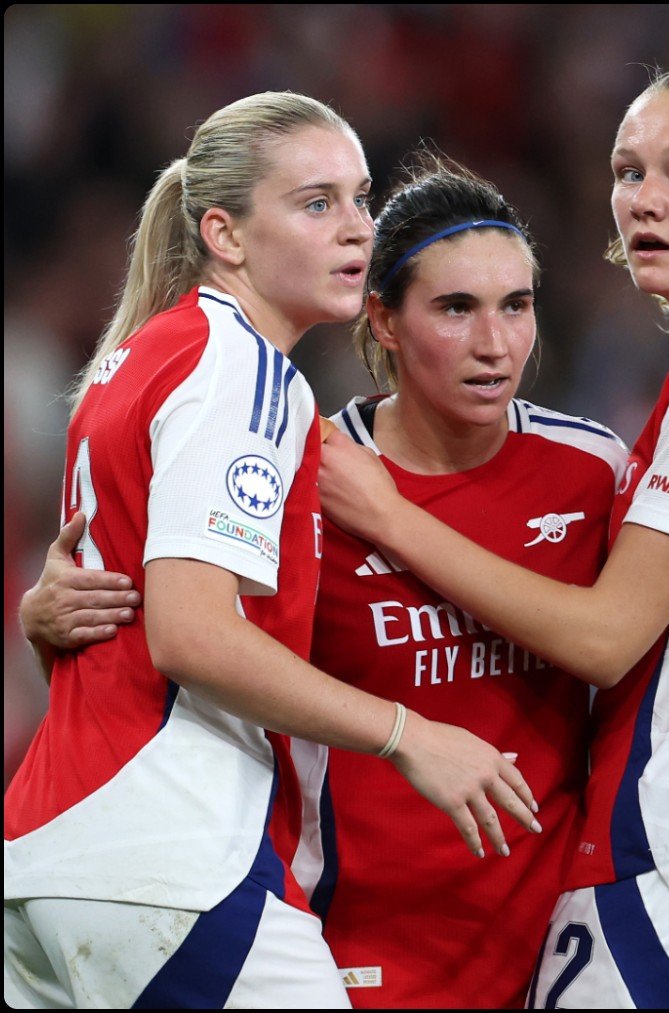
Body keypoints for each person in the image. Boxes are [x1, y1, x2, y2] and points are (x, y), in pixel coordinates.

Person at [18, 152, 669, 1007]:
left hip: (550, 944)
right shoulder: (299, 466)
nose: (495, 343)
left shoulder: (592, 470)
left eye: (517, 305)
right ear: (385, 322)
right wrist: (49, 613)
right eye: (456, 308)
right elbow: (186, 635)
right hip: (344, 941)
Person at [315, 67, 669, 1008]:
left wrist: (390, 518)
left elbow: (601, 636)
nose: (647, 201)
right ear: (386, 320)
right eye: (630, 172)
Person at [2, 93, 538, 1010]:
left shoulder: (140, 356)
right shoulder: (242, 371)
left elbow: (118, 611)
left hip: (60, 848)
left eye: (361, 199)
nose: (356, 230)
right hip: (169, 857)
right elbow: (192, 636)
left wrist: (37, 616)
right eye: (315, 203)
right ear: (226, 233)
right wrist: (408, 735)